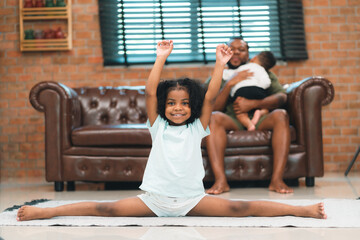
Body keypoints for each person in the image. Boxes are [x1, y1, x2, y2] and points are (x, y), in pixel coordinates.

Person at [16, 40, 326, 221]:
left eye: (184, 104)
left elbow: (210, 97)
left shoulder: (198, 127)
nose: (178, 108)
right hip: (155, 199)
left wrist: (220, 65)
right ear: (164, 107)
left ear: (192, 108)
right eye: (172, 104)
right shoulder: (158, 125)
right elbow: (151, 93)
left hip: (192, 199)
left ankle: (303, 211)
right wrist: (160, 58)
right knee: (104, 208)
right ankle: (44, 213)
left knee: (240, 207)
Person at [205, 37, 294, 195]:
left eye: (242, 49)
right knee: (213, 117)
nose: (237, 52)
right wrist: (231, 83)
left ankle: (277, 180)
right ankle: (221, 181)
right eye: (232, 49)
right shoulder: (221, 74)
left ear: (249, 55)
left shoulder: (261, 71)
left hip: (261, 117)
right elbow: (211, 107)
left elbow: (282, 98)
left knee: (281, 115)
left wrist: (253, 104)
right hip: (232, 118)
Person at [224, 51, 277, 131]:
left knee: (240, 112)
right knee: (265, 109)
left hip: (241, 91)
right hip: (257, 90)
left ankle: (249, 125)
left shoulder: (243, 68)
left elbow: (227, 75)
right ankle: (260, 112)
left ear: (254, 58)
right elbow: (267, 83)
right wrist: (259, 87)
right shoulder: (262, 70)